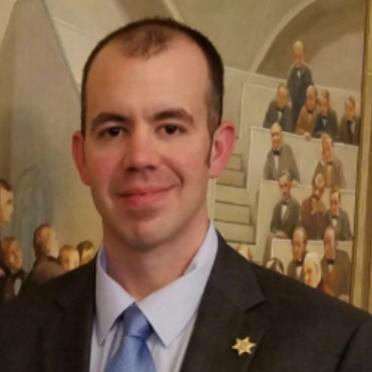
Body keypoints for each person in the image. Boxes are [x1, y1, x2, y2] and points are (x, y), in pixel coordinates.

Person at [1, 18, 372, 372]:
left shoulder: (334, 348)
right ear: (81, 157)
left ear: (218, 149)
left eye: (171, 128)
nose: (140, 158)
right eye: (113, 131)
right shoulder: (13, 333)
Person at [262, 171, 300, 264]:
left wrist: (286, 236)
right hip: (277, 243)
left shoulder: (296, 207)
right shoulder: (277, 207)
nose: (284, 190)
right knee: (270, 237)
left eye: (285, 185)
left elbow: (297, 230)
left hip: (289, 245)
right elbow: (272, 228)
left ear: (290, 185)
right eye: (281, 186)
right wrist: (277, 233)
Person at [24, 223, 64, 288]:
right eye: (55, 239)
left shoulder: (31, 274)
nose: (57, 243)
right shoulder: (53, 271)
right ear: (46, 247)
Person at [287, 40, 313, 127]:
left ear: (303, 56)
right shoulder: (291, 72)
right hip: (293, 108)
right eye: (296, 57)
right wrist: (289, 101)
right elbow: (288, 89)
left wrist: (309, 110)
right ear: (293, 57)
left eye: (300, 57)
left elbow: (311, 92)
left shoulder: (308, 71)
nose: (298, 60)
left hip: (304, 108)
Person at [321, 226, 351, 300]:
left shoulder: (344, 258)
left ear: (336, 243)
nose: (326, 247)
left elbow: (351, 283)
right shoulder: (321, 264)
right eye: (325, 243)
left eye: (329, 242)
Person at [300, 173, 326, 239]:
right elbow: (302, 227)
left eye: (320, 190)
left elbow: (323, 232)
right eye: (315, 188)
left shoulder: (323, 208)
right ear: (312, 187)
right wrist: (313, 213)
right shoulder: (304, 204)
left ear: (323, 192)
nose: (317, 192)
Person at [0, 237, 26, 302]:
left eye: (18, 249)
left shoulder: (27, 277)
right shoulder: (4, 279)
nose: (17, 255)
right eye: (11, 252)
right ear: (3, 256)